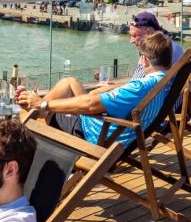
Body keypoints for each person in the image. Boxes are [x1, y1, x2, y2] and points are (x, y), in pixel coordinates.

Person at [16, 32, 173, 148]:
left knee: (33, 113)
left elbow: (91, 105)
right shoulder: (167, 79)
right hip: (121, 133)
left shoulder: (141, 87)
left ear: (144, 59)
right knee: (68, 82)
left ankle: (22, 135)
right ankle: (37, 108)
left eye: (140, 55)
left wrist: (43, 104)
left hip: (97, 136)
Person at [126, 11, 183, 80]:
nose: (131, 41)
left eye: (135, 36)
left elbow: (135, 84)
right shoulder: (171, 45)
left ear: (148, 32)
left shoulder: (152, 50)